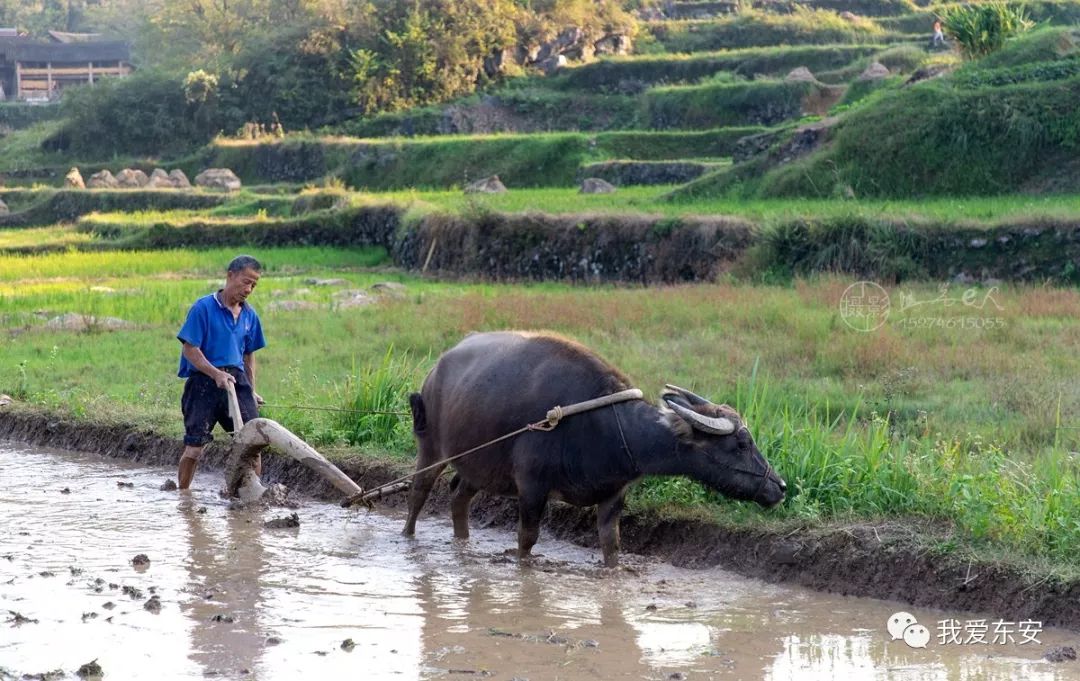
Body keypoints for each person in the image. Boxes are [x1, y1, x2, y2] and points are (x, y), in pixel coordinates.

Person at [176, 255, 267, 489]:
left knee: (252, 445)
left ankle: (251, 498)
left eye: (254, 285)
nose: (248, 289)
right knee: (195, 448)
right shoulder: (203, 308)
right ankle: (183, 496)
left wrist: (252, 390)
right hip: (203, 383)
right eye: (246, 282)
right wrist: (215, 373)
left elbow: (248, 355)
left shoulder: (249, 315)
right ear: (230, 276)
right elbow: (190, 349)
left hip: (237, 383)